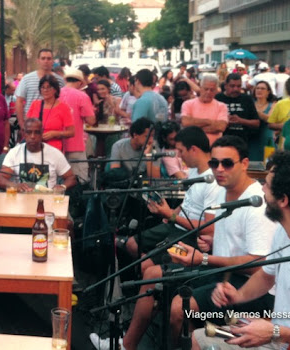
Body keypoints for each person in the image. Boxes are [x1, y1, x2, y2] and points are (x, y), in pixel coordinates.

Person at [91, 136, 276, 350]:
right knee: (150, 274)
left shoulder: (255, 204)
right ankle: (127, 345)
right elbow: (224, 232)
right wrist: (212, 241)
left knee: (179, 306)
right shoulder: (224, 190)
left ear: (244, 164)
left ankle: (180, 344)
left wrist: (204, 257)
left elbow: (259, 264)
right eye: (214, 163)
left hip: (244, 281)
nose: (219, 169)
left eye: (227, 163)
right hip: (216, 267)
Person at [193, 150, 290, 349]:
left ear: (283, 200)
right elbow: (267, 275)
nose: (261, 189)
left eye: (266, 184)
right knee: (199, 338)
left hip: (287, 341)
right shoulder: (284, 230)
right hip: (278, 336)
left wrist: (274, 332)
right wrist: (238, 296)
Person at [124, 125, 220, 262]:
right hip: (175, 224)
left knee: (147, 268)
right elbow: (189, 200)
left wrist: (171, 215)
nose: (179, 156)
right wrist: (172, 212)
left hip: (189, 234)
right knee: (132, 244)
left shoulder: (212, 182)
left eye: (181, 151)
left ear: (193, 149)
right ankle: (150, 267)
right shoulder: (194, 170)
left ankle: (153, 269)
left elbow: (209, 229)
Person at [0, 118, 77, 192]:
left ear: (42, 133)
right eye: (29, 132)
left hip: (47, 201)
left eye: (37, 132)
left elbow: (71, 178)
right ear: (24, 133)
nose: (32, 136)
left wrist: (63, 186)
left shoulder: (54, 153)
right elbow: (0, 179)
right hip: (20, 202)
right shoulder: (14, 153)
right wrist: (15, 186)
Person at [15, 49, 65, 135]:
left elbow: (62, 101)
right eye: (43, 58)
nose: (46, 61)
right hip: (31, 126)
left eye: (49, 59)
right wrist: (21, 123)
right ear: (38, 60)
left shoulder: (60, 81)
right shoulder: (27, 79)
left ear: (53, 61)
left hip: (53, 127)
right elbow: (19, 101)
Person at [60, 68, 96, 183]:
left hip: (57, 144)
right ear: (80, 82)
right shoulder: (82, 96)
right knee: (79, 179)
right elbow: (91, 120)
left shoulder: (56, 94)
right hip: (76, 144)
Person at [26, 74, 74, 151]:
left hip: (54, 149)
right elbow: (26, 126)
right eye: (43, 87)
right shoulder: (35, 104)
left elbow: (71, 132)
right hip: (35, 147)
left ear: (55, 89)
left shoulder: (64, 108)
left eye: (49, 87)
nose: (45, 90)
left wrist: (55, 134)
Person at [181, 73, 228, 145]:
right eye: (206, 89)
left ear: (216, 90)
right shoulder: (188, 104)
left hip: (214, 148)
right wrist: (209, 121)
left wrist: (194, 128)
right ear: (201, 87)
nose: (208, 92)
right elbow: (186, 122)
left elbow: (221, 127)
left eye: (212, 90)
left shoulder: (221, 106)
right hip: (193, 148)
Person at [215, 72, 260, 141]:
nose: (235, 89)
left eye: (238, 86)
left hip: (241, 141)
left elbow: (256, 123)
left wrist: (241, 121)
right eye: (232, 86)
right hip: (221, 140)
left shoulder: (247, 99)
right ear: (225, 86)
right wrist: (224, 121)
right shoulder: (218, 98)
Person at [249, 80, 276, 161]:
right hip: (251, 139)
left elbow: (270, 118)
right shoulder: (250, 103)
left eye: (263, 88)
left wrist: (256, 112)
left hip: (266, 138)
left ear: (268, 92)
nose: (259, 90)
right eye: (257, 88)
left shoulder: (273, 104)